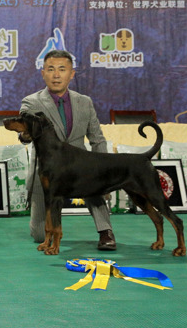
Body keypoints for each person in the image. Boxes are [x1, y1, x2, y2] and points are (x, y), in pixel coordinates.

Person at [20, 49, 116, 251]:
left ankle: (105, 231)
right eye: (51, 69)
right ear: (43, 73)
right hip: (47, 171)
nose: (56, 75)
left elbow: (97, 139)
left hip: (80, 167)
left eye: (62, 69)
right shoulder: (31, 102)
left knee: (93, 178)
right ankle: (49, 231)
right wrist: (25, 135)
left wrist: (105, 172)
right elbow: (24, 134)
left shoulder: (85, 102)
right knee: (39, 236)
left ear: (71, 74)